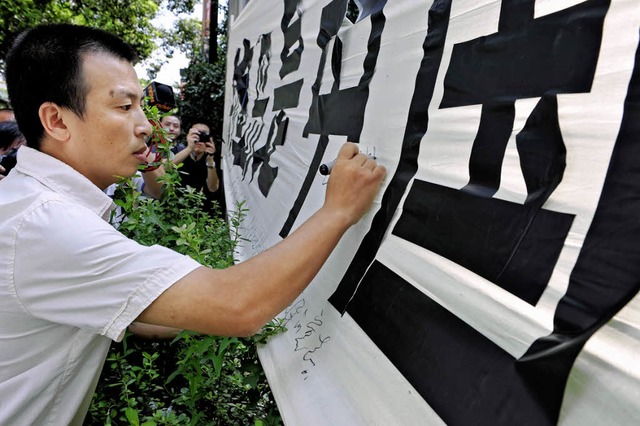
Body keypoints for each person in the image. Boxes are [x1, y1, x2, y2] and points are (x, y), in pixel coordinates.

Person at [0, 23, 385, 425]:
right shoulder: (48, 225)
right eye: (123, 106)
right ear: (57, 121)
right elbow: (237, 304)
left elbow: (135, 316)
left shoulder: (33, 206)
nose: (146, 125)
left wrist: (194, 316)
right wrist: (338, 209)